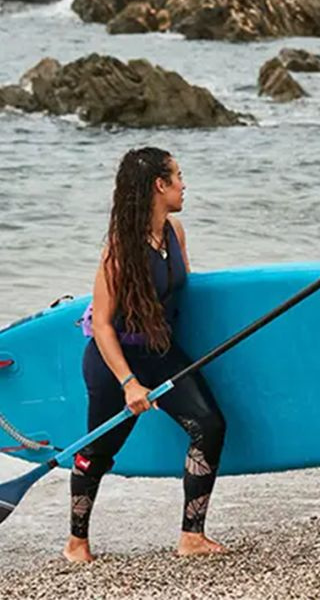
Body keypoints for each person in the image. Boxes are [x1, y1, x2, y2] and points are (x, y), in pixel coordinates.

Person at [63, 147, 227, 562]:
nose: (183, 184)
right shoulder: (120, 250)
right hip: (114, 361)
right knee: (98, 451)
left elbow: (182, 295)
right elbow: (101, 324)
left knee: (209, 424)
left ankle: (192, 536)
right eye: (178, 176)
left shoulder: (175, 232)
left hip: (159, 350)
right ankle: (76, 542)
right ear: (160, 185)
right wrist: (128, 383)